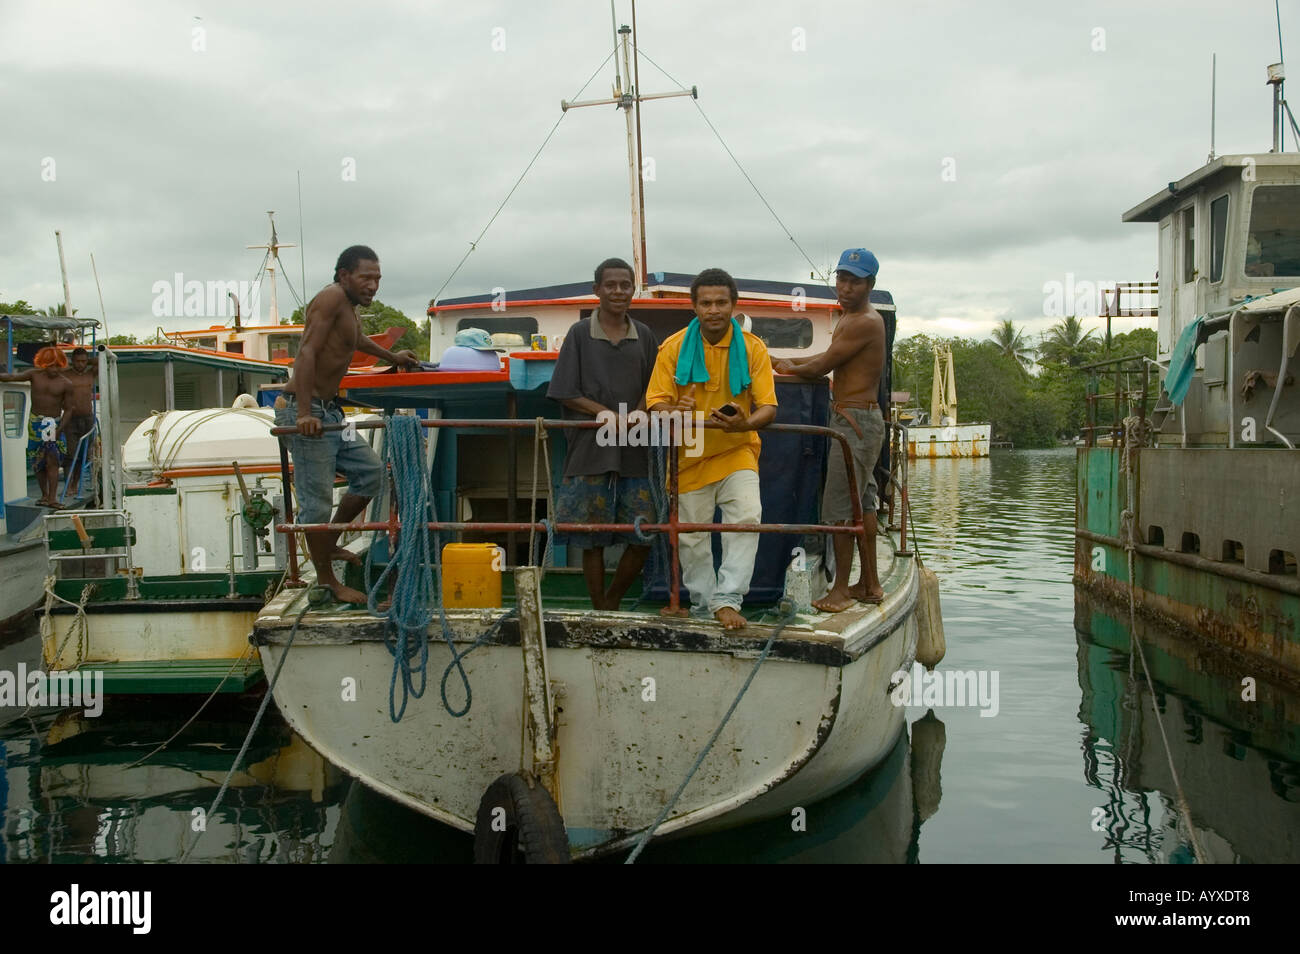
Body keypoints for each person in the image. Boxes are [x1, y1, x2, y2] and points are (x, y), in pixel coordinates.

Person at [275, 245, 420, 604]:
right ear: (343, 275)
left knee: (371, 472)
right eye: (365, 277)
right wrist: (306, 413)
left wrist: (393, 356)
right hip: (305, 412)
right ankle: (328, 582)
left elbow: (356, 341)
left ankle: (330, 540)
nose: (373, 285)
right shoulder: (330, 298)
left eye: (377, 279)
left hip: (332, 414)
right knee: (317, 503)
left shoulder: (348, 306)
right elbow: (307, 351)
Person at [645, 267, 778, 630]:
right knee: (691, 537)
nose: (714, 310)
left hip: (738, 450)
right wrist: (673, 409)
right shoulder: (672, 348)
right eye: (706, 303)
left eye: (721, 302)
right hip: (688, 457)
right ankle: (705, 606)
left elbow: (768, 406)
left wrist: (745, 423)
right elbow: (655, 403)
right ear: (694, 307)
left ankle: (728, 601)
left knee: (747, 519)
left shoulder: (753, 348)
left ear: (734, 306)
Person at [773, 248, 886, 612]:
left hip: (855, 422)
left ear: (870, 284)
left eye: (854, 281)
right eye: (841, 278)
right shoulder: (851, 318)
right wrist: (785, 362)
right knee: (862, 502)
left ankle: (839, 591)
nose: (845, 286)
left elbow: (823, 364)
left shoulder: (865, 321)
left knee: (838, 507)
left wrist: (785, 368)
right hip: (857, 419)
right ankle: (869, 584)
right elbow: (827, 358)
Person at [547, 257, 658, 609]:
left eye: (625, 285)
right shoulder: (580, 334)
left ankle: (612, 601)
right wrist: (604, 413)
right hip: (590, 449)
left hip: (636, 449)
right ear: (597, 290)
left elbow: (656, 386)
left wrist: (640, 412)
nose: (618, 291)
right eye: (610, 285)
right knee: (589, 537)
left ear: (633, 289)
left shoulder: (645, 335)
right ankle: (599, 606)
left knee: (644, 534)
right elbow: (565, 390)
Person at [0, 346, 70, 508]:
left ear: (61, 365)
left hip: (53, 423)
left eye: (56, 365)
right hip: (35, 423)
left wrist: (59, 430)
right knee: (37, 461)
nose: (53, 369)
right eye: (49, 365)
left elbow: (69, 410)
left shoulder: (66, 384)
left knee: (53, 461)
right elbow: (11, 377)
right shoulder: (33, 375)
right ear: (43, 364)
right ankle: (44, 495)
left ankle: (53, 498)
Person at [60, 347, 97, 497]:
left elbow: (102, 360)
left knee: (84, 455)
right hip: (71, 419)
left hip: (88, 418)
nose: (81, 364)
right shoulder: (66, 375)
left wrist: (89, 361)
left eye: (83, 361)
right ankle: (69, 485)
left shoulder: (90, 373)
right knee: (71, 454)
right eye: (78, 361)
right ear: (72, 361)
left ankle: (75, 483)